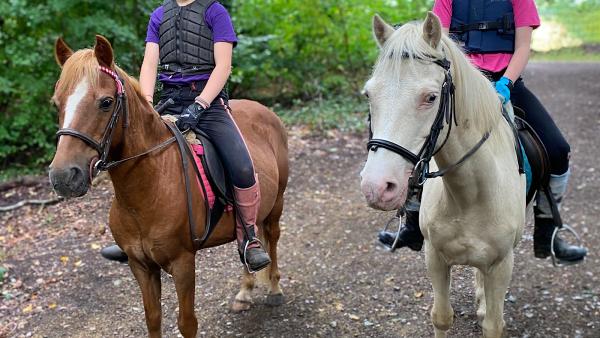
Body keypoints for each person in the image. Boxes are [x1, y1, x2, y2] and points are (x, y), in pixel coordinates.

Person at [378, 0, 588, 264]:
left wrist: (505, 85)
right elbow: (437, 46)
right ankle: (412, 224)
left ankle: (549, 231)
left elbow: (523, 46)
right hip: (461, 85)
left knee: (558, 149)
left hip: (504, 82)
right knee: (422, 138)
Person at [100, 0, 271, 272]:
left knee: (241, 164)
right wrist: (145, 105)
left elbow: (223, 66)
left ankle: (249, 238)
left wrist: (200, 104)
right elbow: (149, 64)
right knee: (129, 157)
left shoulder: (215, 12)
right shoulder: (159, 15)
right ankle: (132, 238)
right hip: (169, 100)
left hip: (209, 102)